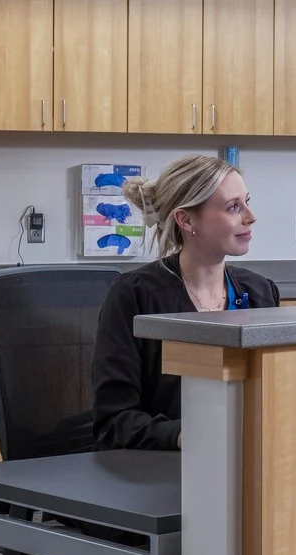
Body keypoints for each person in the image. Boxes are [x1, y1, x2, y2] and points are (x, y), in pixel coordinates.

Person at [92, 156, 278, 450]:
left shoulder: (260, 292)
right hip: (160, 467)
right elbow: (114, 420)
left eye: (247, 202)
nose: (250, 216)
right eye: (233, 207)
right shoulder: (135, 294)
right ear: (187, 220)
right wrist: (182, 435)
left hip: (244, 455)